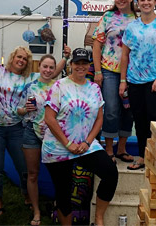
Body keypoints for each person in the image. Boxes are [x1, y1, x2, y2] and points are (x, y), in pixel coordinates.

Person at [0, 21, 70, 217]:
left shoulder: (30, 79)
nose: (22, 60)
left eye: (25, 59)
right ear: (13, 57)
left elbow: (51, 72)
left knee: (24, 168)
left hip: (17, 128)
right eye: (19, 57)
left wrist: (66, 58)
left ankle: (27, 195)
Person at [43, 48, 118, 226]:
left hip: (86, 145)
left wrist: (88, 141)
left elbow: (99, 119)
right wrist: (67, 143)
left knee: (110, 173)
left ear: (89, 66)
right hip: (59, 147)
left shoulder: (94, 88)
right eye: (77, 63)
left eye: (85, 63)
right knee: (64, 192)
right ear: (71, 65)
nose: (81, 66)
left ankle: (98, 218)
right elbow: (49, 118)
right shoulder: (59, 86)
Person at [119, 0, 156, 170]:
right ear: (137, 3)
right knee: (140, 120)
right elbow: (125, 55)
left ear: (154, 1)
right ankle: (142, 156)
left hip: (155, 81)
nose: (145, 3)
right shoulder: (132, 27)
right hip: (135, 81)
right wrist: (123, 80)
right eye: (142, 0)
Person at [92, 0, 137, 163]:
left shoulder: (138, 18)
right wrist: (97, 71)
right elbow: (97, 44)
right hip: (109, 70)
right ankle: (108, 148)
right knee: (110, 109)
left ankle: (122, 148)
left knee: (129, 110)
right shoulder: (108, 17)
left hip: (133, 73)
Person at [20, 54, 58, 226]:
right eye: (45, 66)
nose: (48, 70)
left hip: (53, 134)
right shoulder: (30, 87)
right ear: (39, 67)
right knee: (33, 173)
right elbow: (18, 110)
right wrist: (24, 109)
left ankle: (59, 206)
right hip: (31, 131)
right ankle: (36, 210)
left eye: (51, 67)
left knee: (58, 172)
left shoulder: (59, 87)